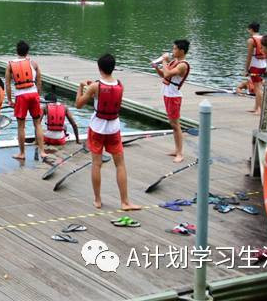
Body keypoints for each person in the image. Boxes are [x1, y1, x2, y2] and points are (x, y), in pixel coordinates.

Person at [76, 54, 141, 211]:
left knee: (96, 164)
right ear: (113, 67)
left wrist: (81, 87)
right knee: (120, 164)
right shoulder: (120, 85)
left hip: (97, 127)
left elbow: (78, 104)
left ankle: (98, 200)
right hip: (114, 128)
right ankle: (125, 202)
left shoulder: (94, 87)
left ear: (99, 68)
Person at [5, 40, 47, 162]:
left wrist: (9, 100)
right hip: (33, 94)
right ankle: (43, 151)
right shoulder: (33, 63)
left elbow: (7, 84)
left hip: (21, 96)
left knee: (21, 126)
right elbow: (39, 81)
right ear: (27, 52)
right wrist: (38, 96)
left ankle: (22, 153)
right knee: (37, 124)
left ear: (16, 51)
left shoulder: (10, 65)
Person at [154, 39, 191, 163]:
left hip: (174, 96)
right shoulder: (175, 61)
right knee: (173, 124)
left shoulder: (182, 65)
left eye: (175, 48)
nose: (172, 51)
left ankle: (180, 153)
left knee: (176, 125)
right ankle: (176, 150)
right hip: (167, 94)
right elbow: (163, 75)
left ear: (181, 51)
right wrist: (156, 67)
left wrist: (164, 60)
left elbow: (167, 74)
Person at [237, 23, 266, 115]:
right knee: (259, 86)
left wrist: (246, 69)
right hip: (263, 65)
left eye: (248, 29)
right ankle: (256, 107)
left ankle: (260, 110)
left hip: (255, 66)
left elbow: (249, 56)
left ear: (251, 29)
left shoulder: (251, 40)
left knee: (258, 88)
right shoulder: (264, 38)